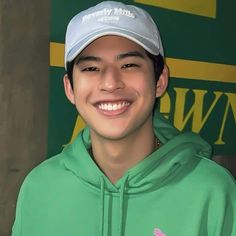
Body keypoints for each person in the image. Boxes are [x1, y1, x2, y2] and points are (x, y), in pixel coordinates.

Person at [12, 1, 236, 236]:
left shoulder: (213, 192)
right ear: (70, 89)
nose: (110, 83)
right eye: (91, 68)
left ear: (159, 80)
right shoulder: (39, 188)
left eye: (129, 65)